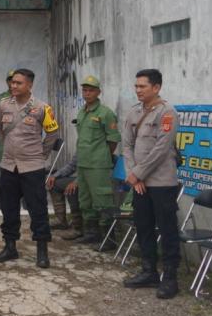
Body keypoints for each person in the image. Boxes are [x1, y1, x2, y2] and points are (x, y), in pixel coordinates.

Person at [121, 68, 181, 299]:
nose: (138, 90)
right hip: (139, 182)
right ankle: (149, 271)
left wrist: (138, 174)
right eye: (136, 86)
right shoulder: (134, 112)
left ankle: (170, 277)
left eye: (142, 86)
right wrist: (133, 174)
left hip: (161, 182)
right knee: (143, 225)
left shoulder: (167, 113)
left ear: (156, 87)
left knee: (167, 229)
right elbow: (127, 145)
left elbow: (161, 149)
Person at [0, 68, 60, 268]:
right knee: (8, 207)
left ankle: (42, 251)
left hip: (32, 167)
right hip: (8, 166)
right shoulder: (3, 105)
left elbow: (52, 134)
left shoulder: (42, 108)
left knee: (37, 208)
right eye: (12, 82)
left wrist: (40, 155)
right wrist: (9, 149)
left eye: (18, 83)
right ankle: (10, 247)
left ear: (29, 85)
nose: (13, 86)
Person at [71, 76, 121, 244]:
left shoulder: (105, 113)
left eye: (91, 90)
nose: (87, 93)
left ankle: (109, 238)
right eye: (84, 90)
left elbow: (113, 140)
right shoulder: (82, 111)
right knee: (85, 200)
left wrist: (102, 157)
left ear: (98, 92)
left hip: (98, 165)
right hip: (83, 163)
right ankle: (92, 234)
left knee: (102, 199)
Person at [47, 153, 84, 239]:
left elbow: (90, 171)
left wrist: (76, 182)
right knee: (54, 183)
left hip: (90, 179)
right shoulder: (81, 143)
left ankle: (78, 227)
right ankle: (61, 220)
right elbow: (72, 166)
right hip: (79, 178)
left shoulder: (97, 146)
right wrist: (55, 176)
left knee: (71, 188)